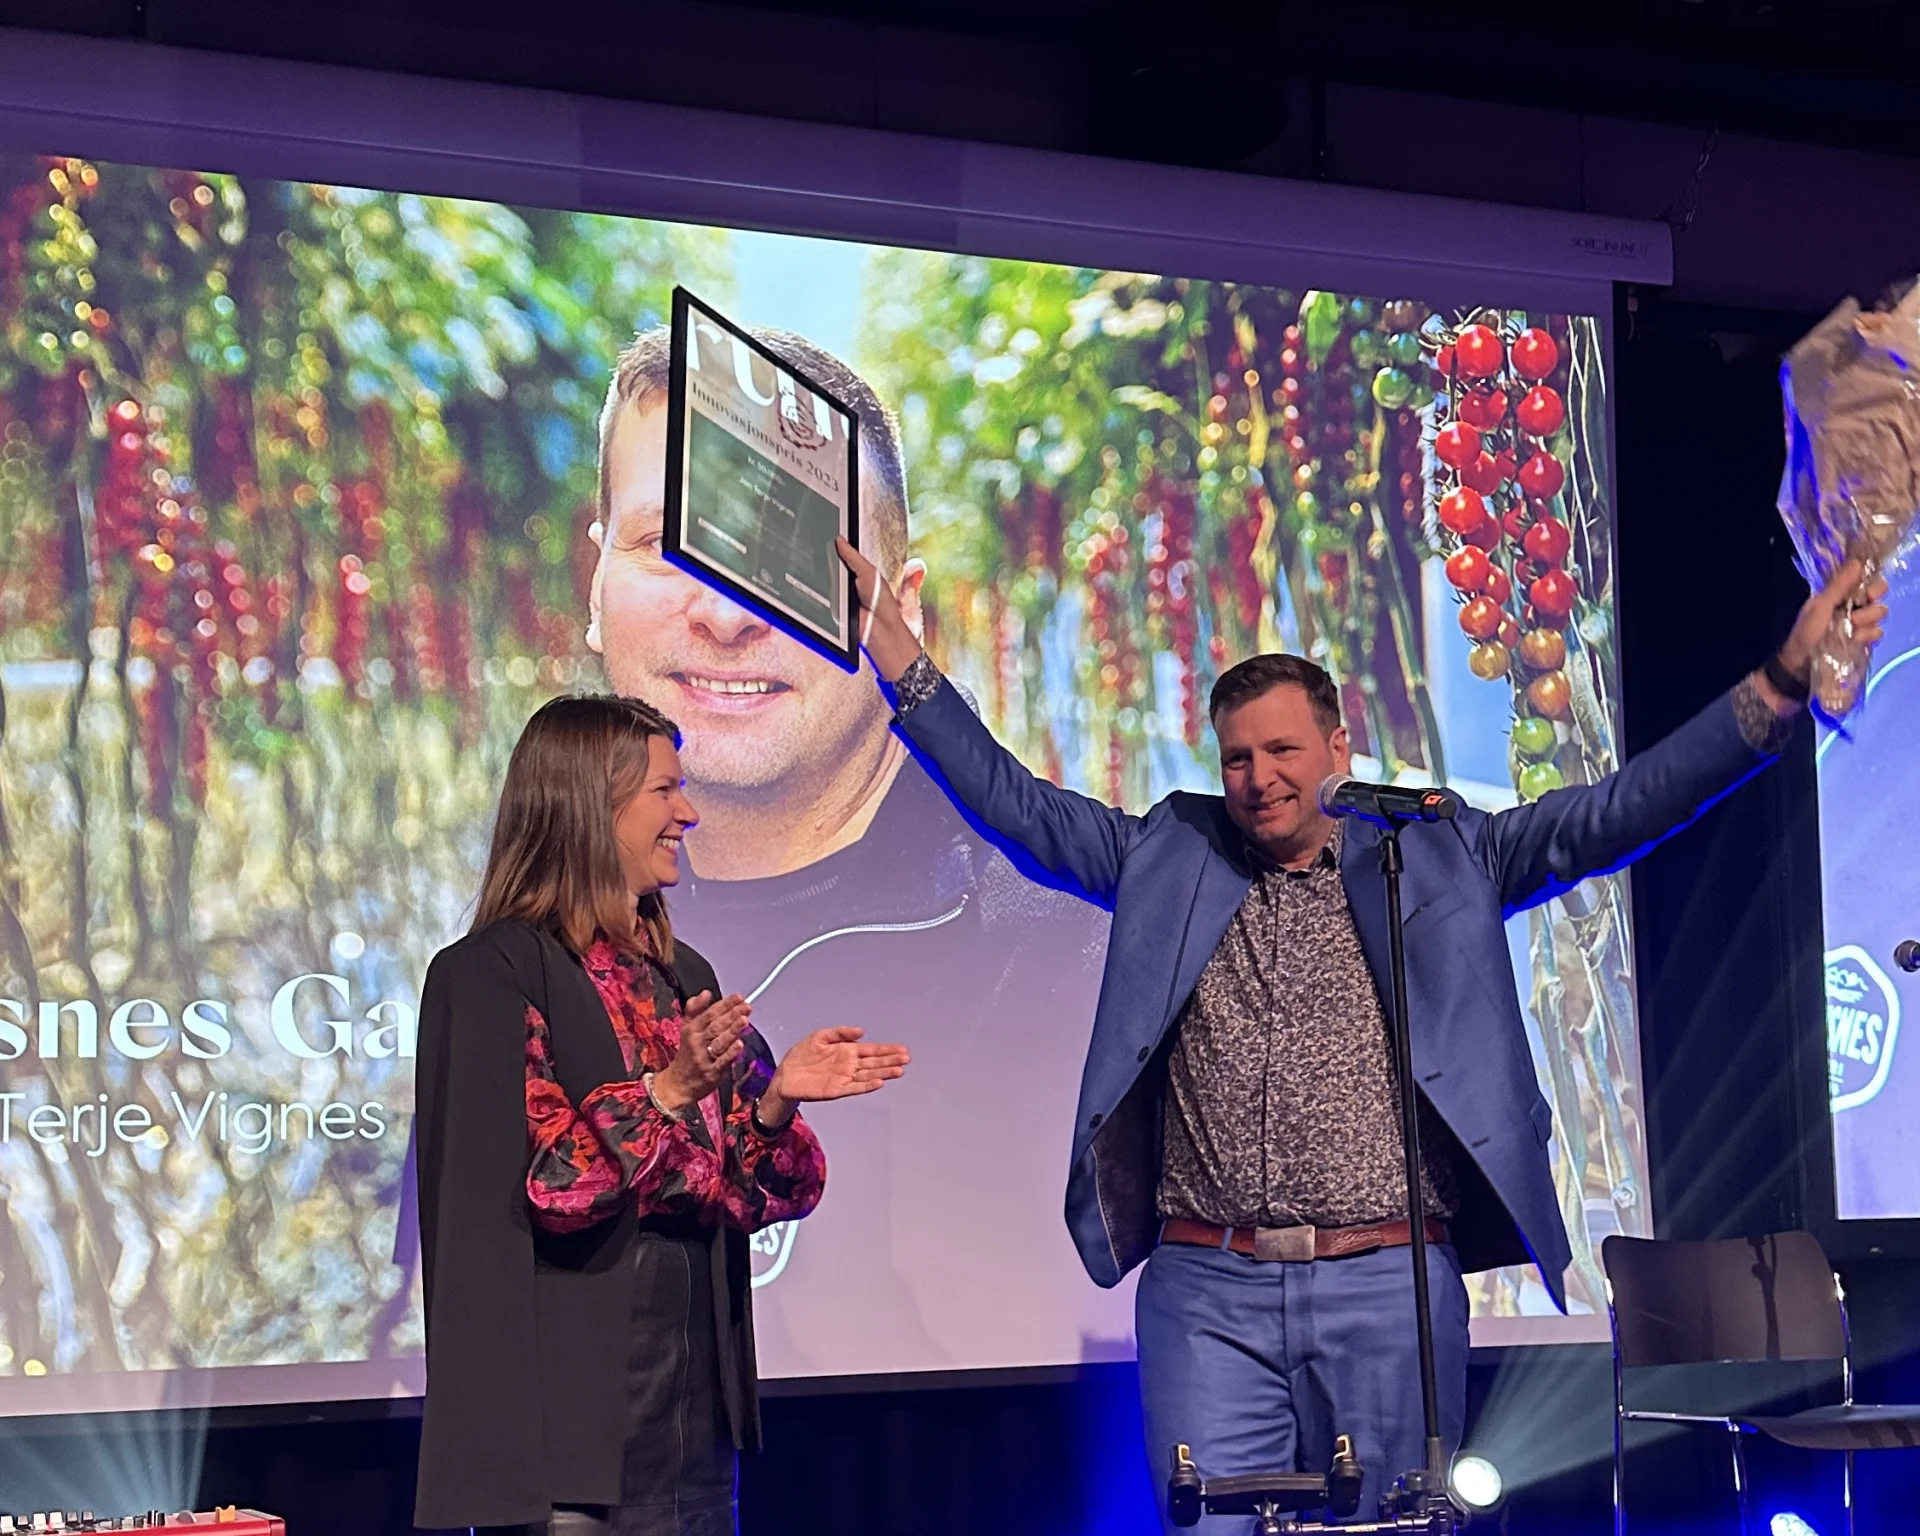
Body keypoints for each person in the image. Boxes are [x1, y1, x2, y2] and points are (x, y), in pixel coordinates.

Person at [839, 533, 1887, 1528]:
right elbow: (1016, 807)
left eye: (1282, 750)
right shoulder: (1169, 852)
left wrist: (1777, 686)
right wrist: (902, 665)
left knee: (1395, 1531)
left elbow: (1615, 814)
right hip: (1209, 1294)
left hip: (1388, 1285)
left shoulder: (1436, 853)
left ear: (1338, 748)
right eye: (1236, 757)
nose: (1258, 778)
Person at [582, 328, 1117, 1373]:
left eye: (793, 562)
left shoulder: (1065, 949)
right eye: (668, 545)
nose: (724, 612)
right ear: (592, 582)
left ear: (900, 610)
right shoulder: (531, 943)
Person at [411, 694, 909, 1535]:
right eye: (665, 791)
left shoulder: (683, 976)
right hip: (565, 1439)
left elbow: (748, 1193)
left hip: (690, 1425)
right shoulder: (493, 974)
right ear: (591, 806)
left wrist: (775, 1103)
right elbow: (548, 1187)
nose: (689, 813)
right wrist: (667, 1092)